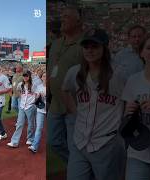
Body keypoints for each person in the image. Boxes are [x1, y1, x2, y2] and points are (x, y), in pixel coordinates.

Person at [62, 29, 126, 180]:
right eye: (86, 46)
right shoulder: (75, 71)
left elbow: (131, 99)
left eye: (95, 46)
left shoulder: (119, 73)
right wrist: (75, 111)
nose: (90, 50)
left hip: (107, 142)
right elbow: (64, 90)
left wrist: (122, 123)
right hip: (80, 140)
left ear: (105, 48)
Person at [48, 6, 84, 163]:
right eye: (62, 16)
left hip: (75, 103)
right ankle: (75, 167)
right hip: (55, 103)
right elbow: (50, 70)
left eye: (67, 17)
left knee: (74, 144)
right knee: (53, 142)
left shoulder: (85, 43)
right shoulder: (56, 43)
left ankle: (78, 171)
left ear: (78, 21)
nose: (63, 19)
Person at [122, 32, 150, 180]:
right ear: (141, 52)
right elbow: (125, 118)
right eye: (149, 48)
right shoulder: (133, 81)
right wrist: (128, 112)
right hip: (139, 152)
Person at [7, 70, 37, 148]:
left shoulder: (34, 85)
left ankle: (30, 138)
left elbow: (37, 94)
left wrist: (33, 102)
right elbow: (17, 90)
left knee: (31, 123)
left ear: (29, 76)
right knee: (19, 124)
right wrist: (21, 97)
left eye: (26, 76)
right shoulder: (21, 84)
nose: (25, 77)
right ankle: (14, 142)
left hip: (30, 106)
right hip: (22, 106)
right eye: (24, 76)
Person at [29, 72, 46, 153]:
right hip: (40, 110)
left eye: (46, 76)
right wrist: (37, 97)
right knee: (39, 128)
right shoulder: (38, 87)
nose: (45, 78)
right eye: (44, 76)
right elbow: (35, 99)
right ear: (41, 78)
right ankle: (34, 146)